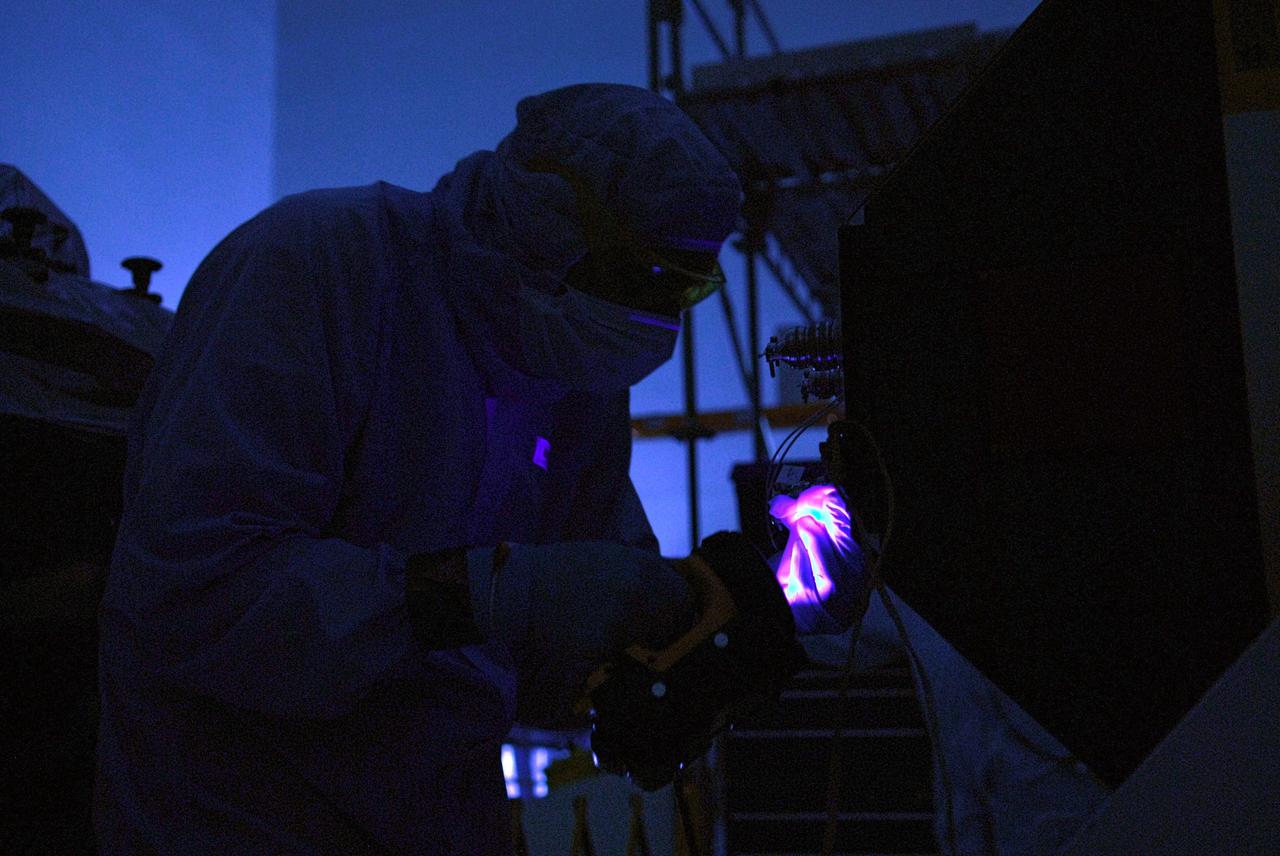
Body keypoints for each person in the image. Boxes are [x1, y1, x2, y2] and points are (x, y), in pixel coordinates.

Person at [94, 83, 744, 854]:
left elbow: (552, 640)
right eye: (649, 282)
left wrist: (659, 654)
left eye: (686, 291)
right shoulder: (319, 265)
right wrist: (492, 591)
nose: (656, 325)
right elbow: (197, 593)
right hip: (233, 812)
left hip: (437, 818)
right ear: (549, 214)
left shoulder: (571, 371)